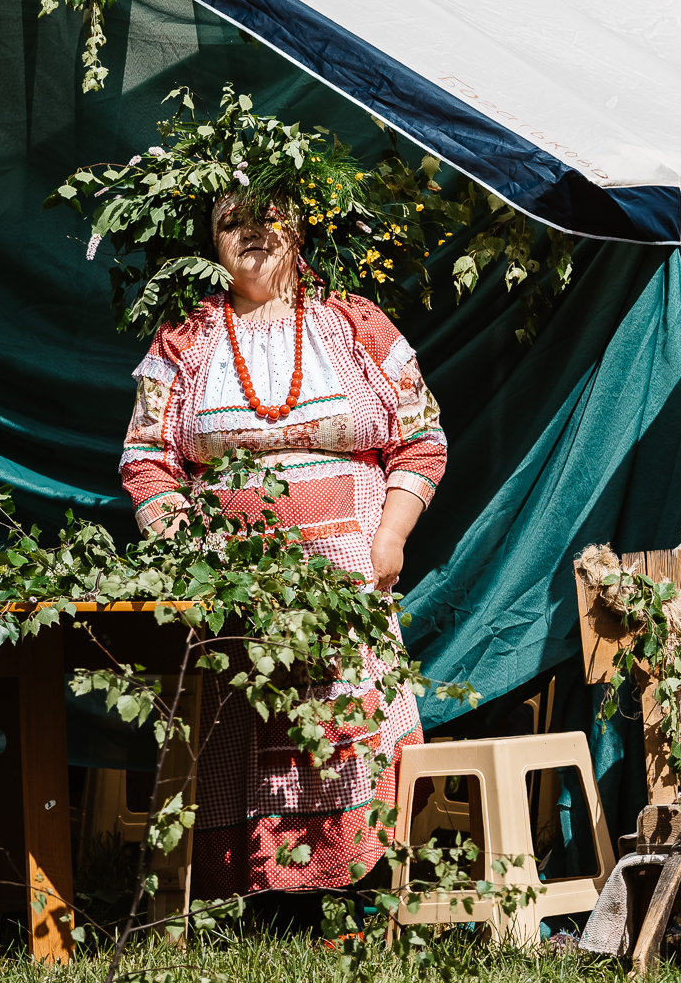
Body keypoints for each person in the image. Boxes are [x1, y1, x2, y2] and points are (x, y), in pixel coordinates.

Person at [118, 193, 447, 895]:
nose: (253, 234)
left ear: (299, 226)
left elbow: (422, 437)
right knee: (240, 719)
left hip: (346, 577)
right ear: (210, 241)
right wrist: (187, 558)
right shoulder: (185, 336)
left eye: (269, 216)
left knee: (341, 720)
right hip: (230, 585)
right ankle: (242, 889)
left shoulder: (354, 322)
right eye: (232, 222)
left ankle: (354, 885)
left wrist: (390, 535)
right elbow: (145, 457)